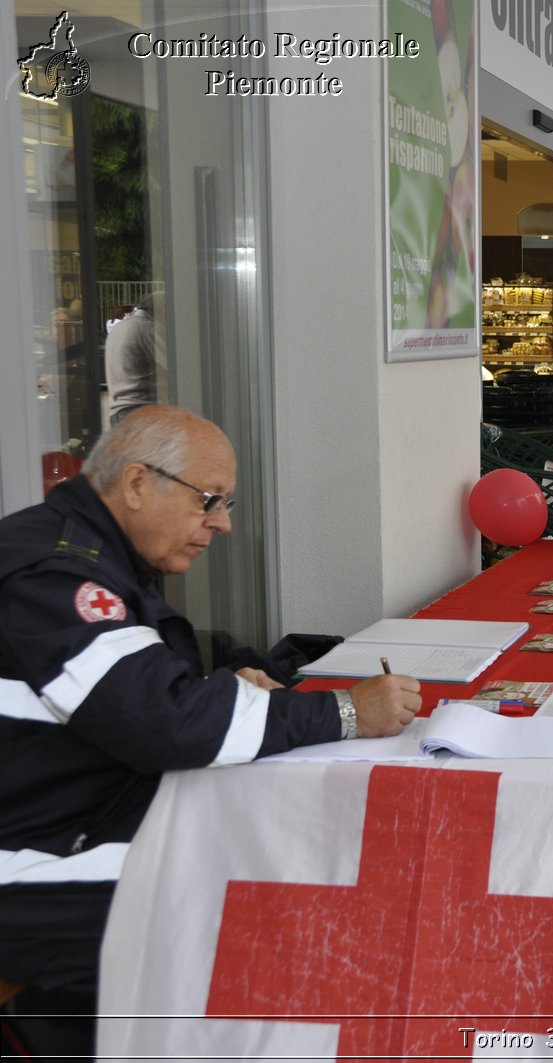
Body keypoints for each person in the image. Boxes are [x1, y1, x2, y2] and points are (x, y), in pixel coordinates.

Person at [0, 405, 420, 1054]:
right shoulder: (54, 573)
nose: (221, 523)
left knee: (273, 843)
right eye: (210, 500)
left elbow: (139, 696)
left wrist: (218, 690)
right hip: (26, 857)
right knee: (250, 915)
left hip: (66, 813)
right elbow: (160, 723)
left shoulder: (88, 550)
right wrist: (343, 712)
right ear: (137, 483)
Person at [105, 292, 162, 425]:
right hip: (141, 411)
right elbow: (174, 365)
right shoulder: (148, 329)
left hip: (118, 411)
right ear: (158, 310)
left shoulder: (119, 327)